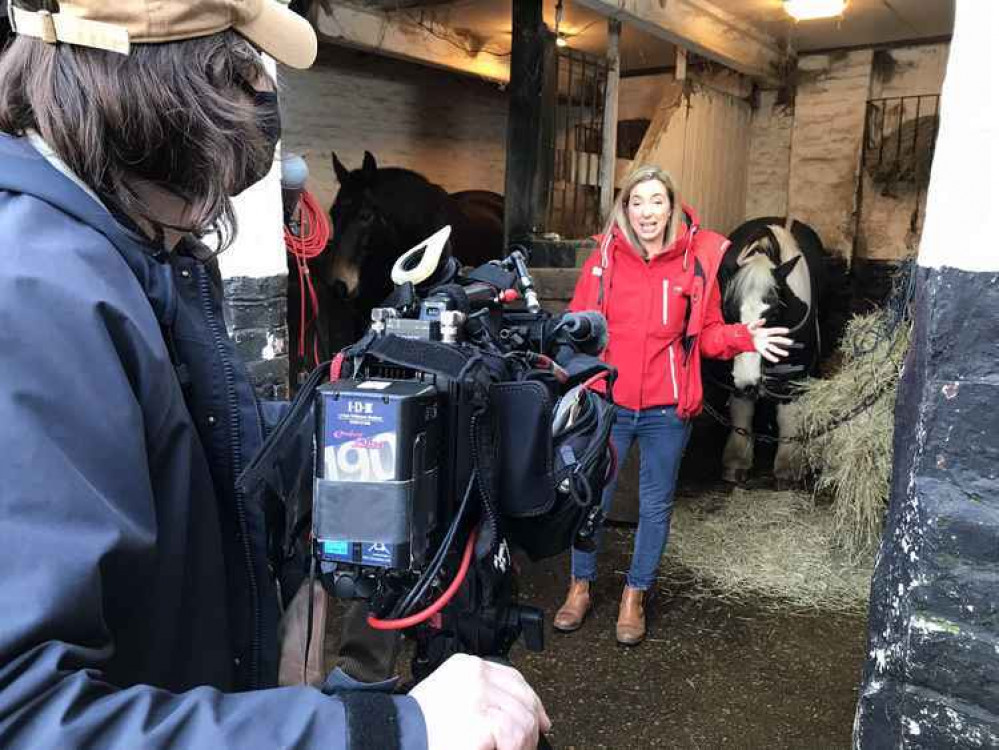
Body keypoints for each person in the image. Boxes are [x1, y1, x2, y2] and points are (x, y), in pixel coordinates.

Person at [0, 2, 549, 748]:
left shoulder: (142, 259)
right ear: (170, 92)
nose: (261, 102)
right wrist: (386, 731)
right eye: (244, 71)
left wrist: (380, 429)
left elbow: (196, 470)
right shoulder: (33, 292)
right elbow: (29, 719)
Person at [553, 165, 792, 645]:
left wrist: (745, 336)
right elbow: (576, 328)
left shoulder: (693, 262)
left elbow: (703, 334)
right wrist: (562, 374)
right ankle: (580, 585)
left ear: (671, 206)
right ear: (625, 208)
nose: (646, 212)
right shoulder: (603, 259)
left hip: (667, 409)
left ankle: (634, 595)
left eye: (656, 201)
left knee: (656, 505)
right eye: (637, 201)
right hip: (610, 404)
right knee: (591, 501)